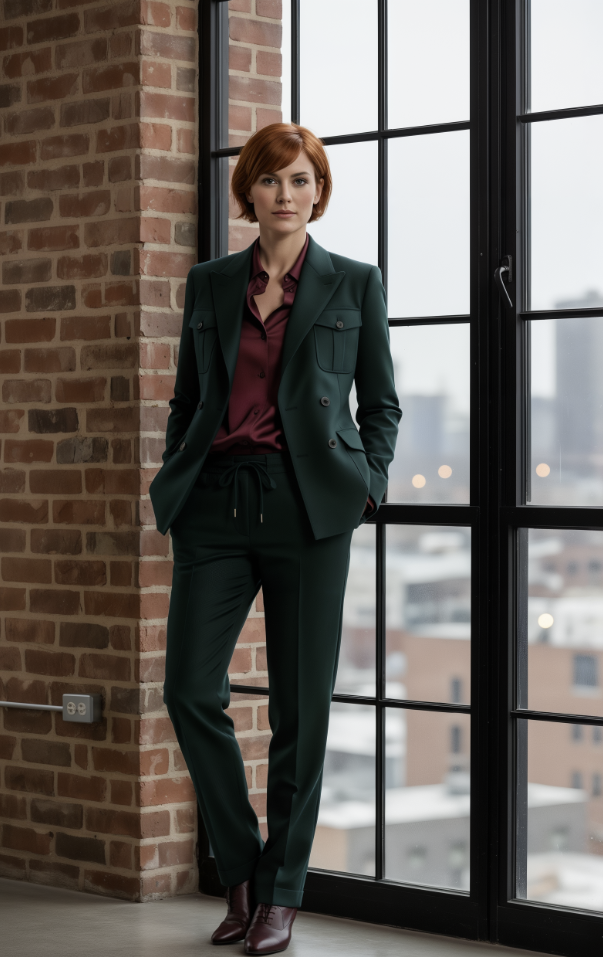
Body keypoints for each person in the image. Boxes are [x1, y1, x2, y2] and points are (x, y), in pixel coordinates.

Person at [150, 122, 401, 955]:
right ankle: (244, 870)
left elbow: (381, 404)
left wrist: (367, 480)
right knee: (189, 690)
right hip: (215, 503)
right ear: (248, 192)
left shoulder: (353, 283)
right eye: (271, 181)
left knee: (301, 708)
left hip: (309, 511)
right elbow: (190, 399)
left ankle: (281, 895)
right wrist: (175, 469)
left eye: (301, 181)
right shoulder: (210, 283)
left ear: (317, 193)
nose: (286, 194)